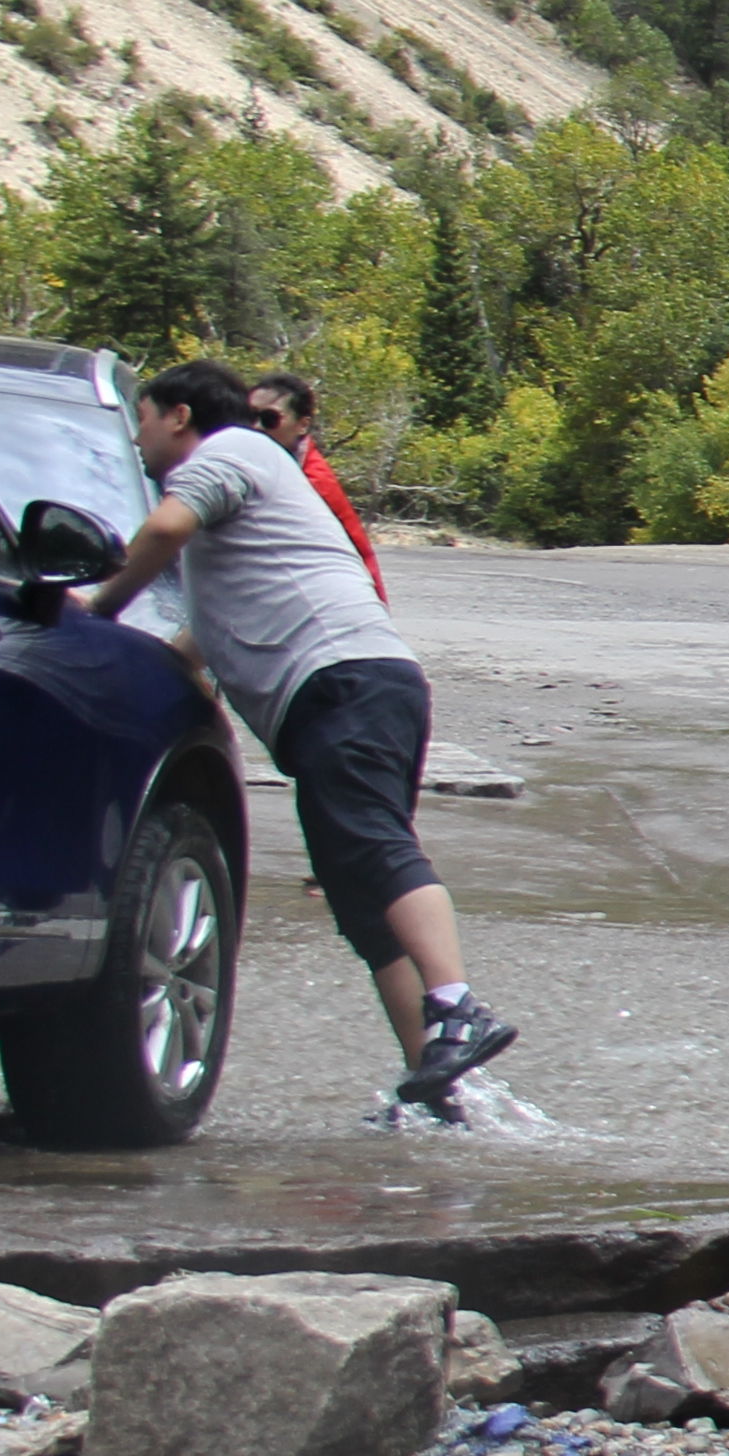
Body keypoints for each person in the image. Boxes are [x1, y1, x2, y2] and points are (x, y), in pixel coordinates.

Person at [55, 360, 513, 1110]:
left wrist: (96, 608)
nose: (137, 442)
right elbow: (197, 641)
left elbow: (165, 529)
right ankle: (439, 1084)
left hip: (349, 682)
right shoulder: (239, 529)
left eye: (141, 421)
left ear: (177, 415)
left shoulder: (230, 452)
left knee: (374, 845)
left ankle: (459, 1005)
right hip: (350, 689)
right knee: (359, 893)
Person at [243, 371, 387, 603]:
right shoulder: (274, 462)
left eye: (270, 419)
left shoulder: (312, 483)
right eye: (248, 416)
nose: (256, 426)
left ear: (302, 425)